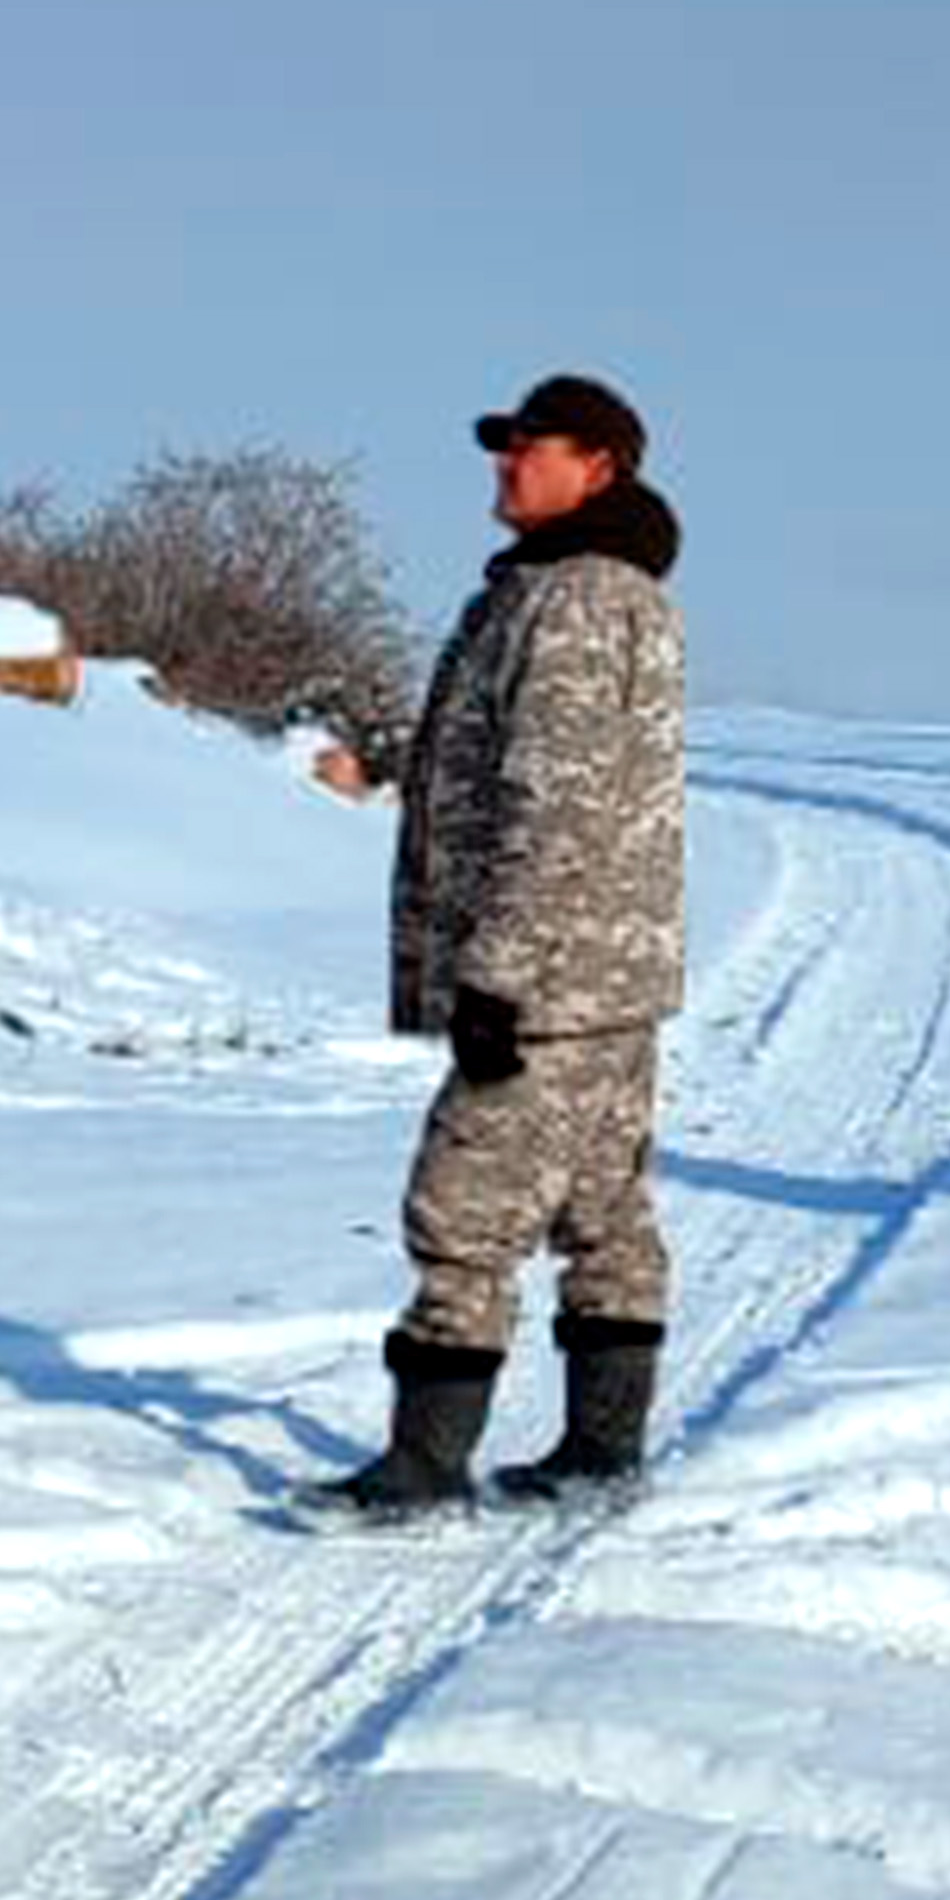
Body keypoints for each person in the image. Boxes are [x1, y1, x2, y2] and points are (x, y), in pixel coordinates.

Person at [319, 370, 689, 1513]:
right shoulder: (568, 590)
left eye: (531, 446)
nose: (505, 462)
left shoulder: (577, 598)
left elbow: (557, 800)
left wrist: (498, 979)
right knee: (603, 1211)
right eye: (503, 445)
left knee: (462, 1204)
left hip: (552, 981)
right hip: (605, 975)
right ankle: (599, 1452)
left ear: (600, 467)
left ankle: (425, 1464)